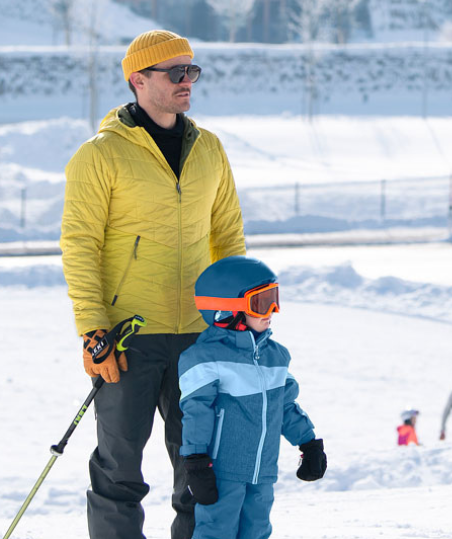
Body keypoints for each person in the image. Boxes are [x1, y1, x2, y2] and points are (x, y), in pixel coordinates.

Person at [63, 29, 245, 539]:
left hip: (200, 335)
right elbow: (80, 245)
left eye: (193, 71)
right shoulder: (99, 156)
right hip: (127, 337)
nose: (188, 81)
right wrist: (92, 329)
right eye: (175, 72)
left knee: (201, 466)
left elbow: (227, 236)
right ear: (138, 80)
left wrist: (235, 317)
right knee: (119, 470)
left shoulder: (209, 149)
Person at [176, 256, 323, 539]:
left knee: (257, 531)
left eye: (274, 298)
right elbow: (196, 412)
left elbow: (286, 406)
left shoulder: (276, 356)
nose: (272, 310)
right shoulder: (204, 358)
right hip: (222, 472)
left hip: (264, 471)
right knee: (216, 531)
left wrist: (309, 443)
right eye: (260, 302)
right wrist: (195, 460)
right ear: (226, 310)